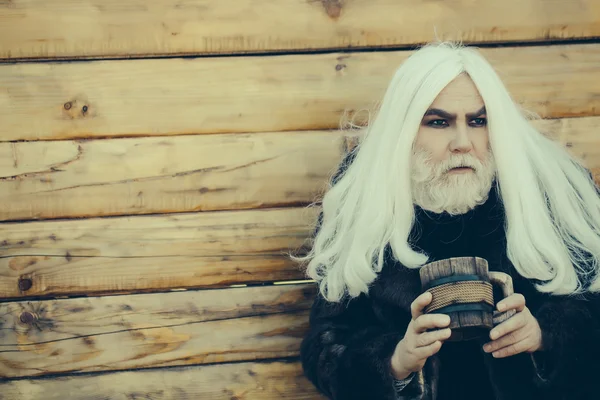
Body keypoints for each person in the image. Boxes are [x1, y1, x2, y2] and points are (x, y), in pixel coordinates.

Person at [294, 42, 600, 400]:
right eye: (439, 122)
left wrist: (546, 334)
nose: (462, 142)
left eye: (478, 121)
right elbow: (327, 344)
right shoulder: (366, 198)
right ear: (405, 130)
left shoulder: (551, 190)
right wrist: (395, 360)